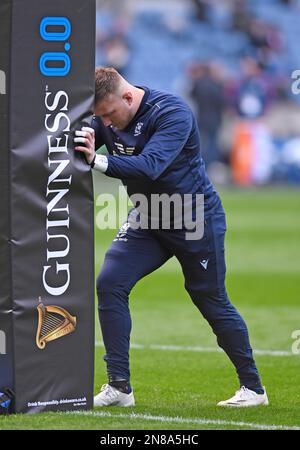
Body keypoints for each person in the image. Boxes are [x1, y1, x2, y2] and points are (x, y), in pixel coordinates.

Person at [74, 67, 268, 408]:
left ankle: (253, 388)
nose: (105, 122)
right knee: (110, 282)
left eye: (107, 114)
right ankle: (119, 387)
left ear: (128, 97)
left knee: (209, 298)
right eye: (99, 116)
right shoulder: (107, 116)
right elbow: (84, 134)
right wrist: (84, 137)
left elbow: (151, 165)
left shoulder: (173, 113)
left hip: (193, 217)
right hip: (148, 216)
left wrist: (96, 160)